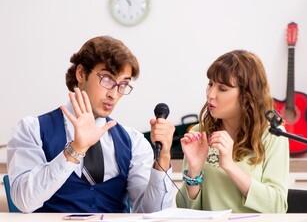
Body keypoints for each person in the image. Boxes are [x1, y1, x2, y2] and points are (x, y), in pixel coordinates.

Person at [7, 35, 175, 213]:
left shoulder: (133, 141)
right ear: (81, 73)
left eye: (123, 84)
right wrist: (76, 149)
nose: (114, 94)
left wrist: (163, 158)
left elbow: (154, 214)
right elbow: (23, 201)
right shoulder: (32, 129)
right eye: (107, 79)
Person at [176, 50, 289, 213]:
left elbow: (277, 207)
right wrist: (194, 171)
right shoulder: (199, 133)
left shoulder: (273, 135)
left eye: (222, 88)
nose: (210, 94)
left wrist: (229, 165)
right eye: (210, 84)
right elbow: (184, 210)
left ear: (247, 96)